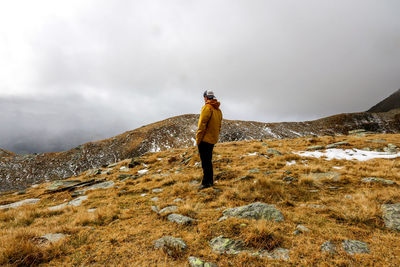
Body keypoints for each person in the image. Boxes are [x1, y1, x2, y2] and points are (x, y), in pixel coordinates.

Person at [196, 90, 223, 189]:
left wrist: (198, 140)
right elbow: (219, 125)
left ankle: (205, 183)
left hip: (204, 140)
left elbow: (201, 125)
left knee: (205, 162)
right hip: (212, 139)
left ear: (206, 98)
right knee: (208, 161)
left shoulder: (206, 108)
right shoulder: (218, 110)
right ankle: (210, 181)